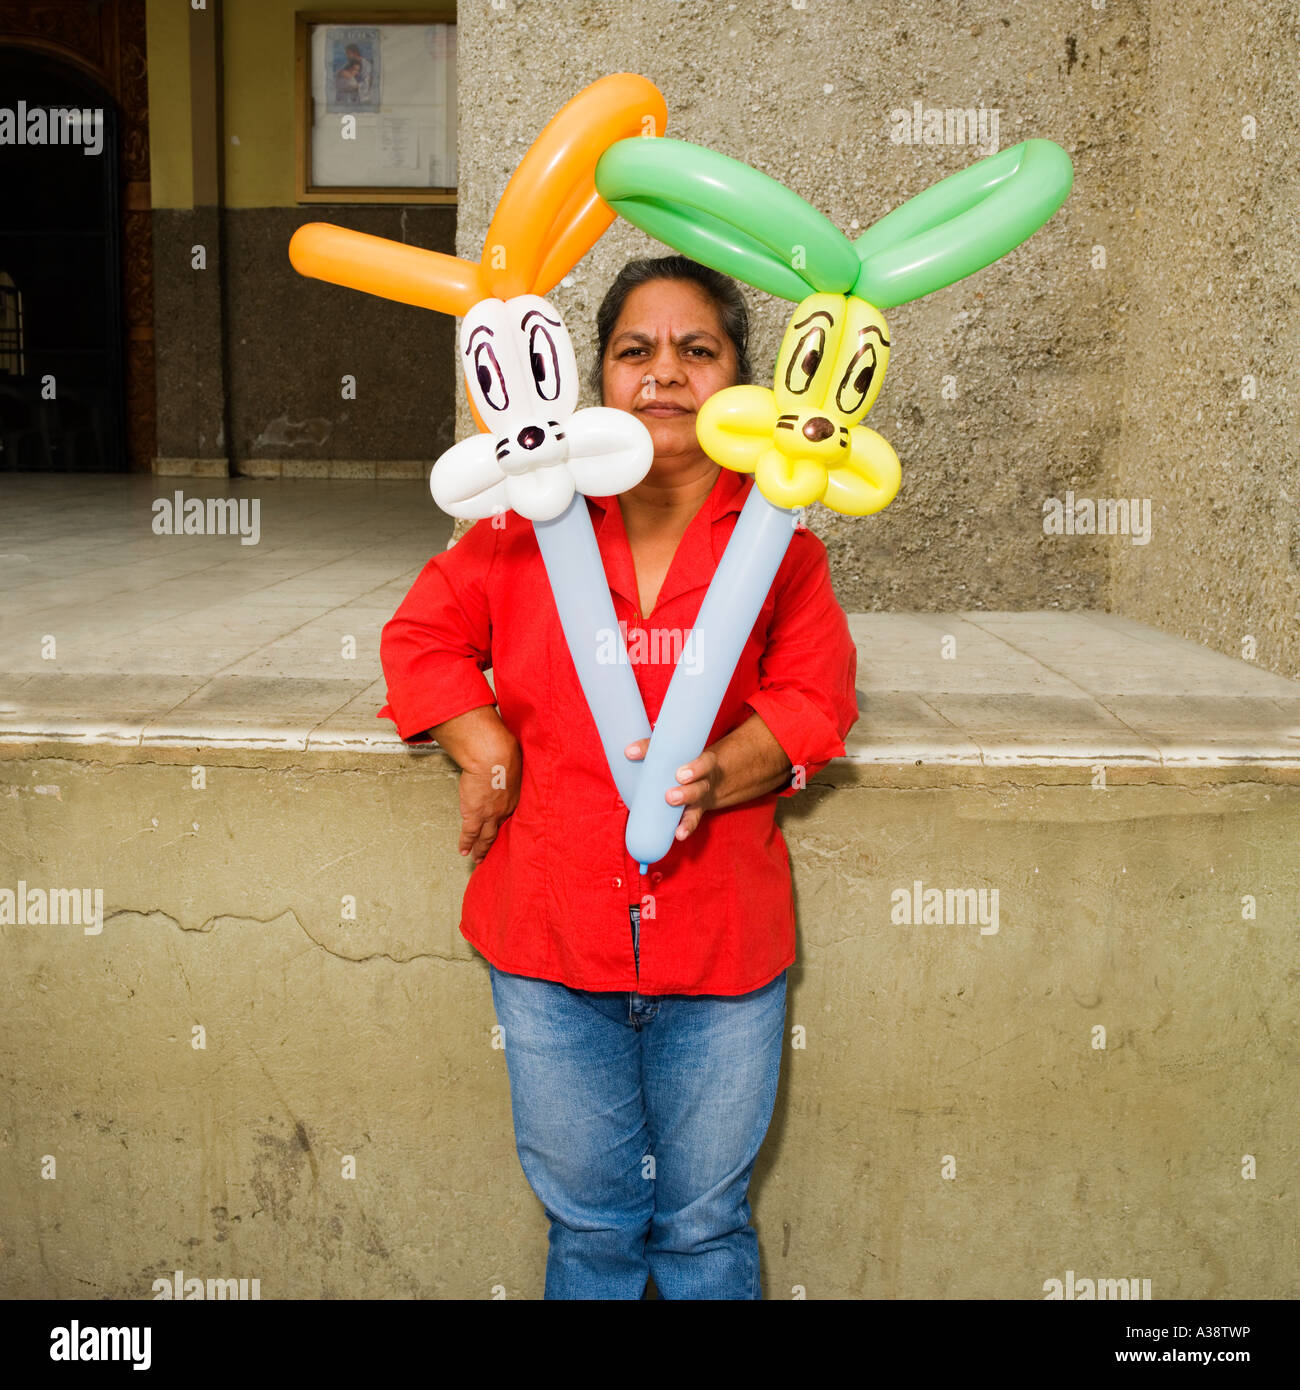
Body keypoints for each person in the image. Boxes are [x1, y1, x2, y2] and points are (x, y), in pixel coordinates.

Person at [378, 255, 859, 1299]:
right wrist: (481, 740)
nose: (664, 372)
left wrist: (734, 764)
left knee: (701, 1228)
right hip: (549, 941)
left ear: (742, 378)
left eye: (698, 350)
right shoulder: (519, 529)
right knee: (591, 1231)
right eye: (633, 351)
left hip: (722, 945)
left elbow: (816, 697)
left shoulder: (780, 544)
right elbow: (421, 639)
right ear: (596, 381)